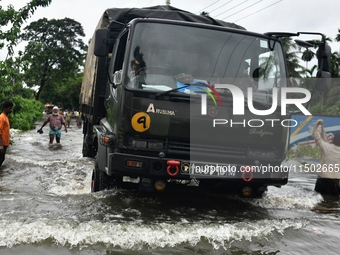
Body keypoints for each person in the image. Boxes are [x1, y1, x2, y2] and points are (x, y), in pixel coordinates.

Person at [312, 119, 340, 196]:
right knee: (333, 202)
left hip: (322, 179)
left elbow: (316, 135)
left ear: (333, 139)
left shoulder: (326, 147)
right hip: (335, 181)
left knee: (318, 198)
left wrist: (319, 126)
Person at [0, 100, 13, 167]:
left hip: (5, 143)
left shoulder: (6, 117)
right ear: (5, 108)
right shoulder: (2, 117)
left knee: (2, 159)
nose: (11, 110)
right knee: (1, 159)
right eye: (10, 108)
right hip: (2, 144)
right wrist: (1, 145)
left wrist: (8, 141)